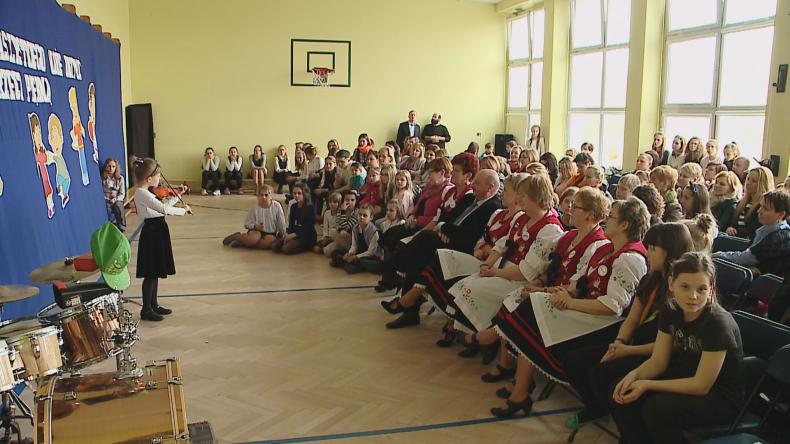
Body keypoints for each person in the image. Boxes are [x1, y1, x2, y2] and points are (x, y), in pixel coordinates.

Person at [490, 197, 650, 417]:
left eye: (612, 217)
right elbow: (579, 283)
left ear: (624, 225)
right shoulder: (607, 249)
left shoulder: (630, 259)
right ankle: (521, 387)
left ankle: (519, 387)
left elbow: (613, 306)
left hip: (605, 323)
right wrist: (551, 292)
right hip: (587, 309)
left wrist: (570, 302)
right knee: (533, 303)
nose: (606, 220)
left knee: (533, 311)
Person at [455, 186, 610, 379]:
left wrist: (542, 290)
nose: (569, 208)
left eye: (575, 206)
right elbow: (551, 269)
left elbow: (577, 286)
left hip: (566, 297)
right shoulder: (570, 235)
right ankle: (504, 361)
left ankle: (492, 343)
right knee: (515, 298)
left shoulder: (597, 245)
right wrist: (538, 282)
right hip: (551, 289)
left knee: (520, 303)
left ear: (590, 215)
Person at [562, 223, 694, 430]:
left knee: (601, 375)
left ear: (670, 252)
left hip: (657, 355)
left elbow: (671, 347)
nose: (647, 254)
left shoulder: (681, 291)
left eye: (653, 249)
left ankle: (627, 424)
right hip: (632, 344)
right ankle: (597, 406)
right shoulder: (650, 280)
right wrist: (619, 342)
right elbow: (632, 320)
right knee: (573, 360)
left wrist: (626, 350)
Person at [609, 252, 743, 444]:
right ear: (671, 283)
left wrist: (647, 384)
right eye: (685, 287)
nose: (693, 296)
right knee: (621, 388)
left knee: (656, 409)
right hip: (686, 375)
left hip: (720, 396)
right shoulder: (671, 309)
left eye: (702, 289)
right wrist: (634, 375)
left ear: (711, 289)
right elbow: (658, 361)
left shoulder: (717, 324)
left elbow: (701, 385)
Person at [382, 173, 529, 340]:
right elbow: (479, 238)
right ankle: (409, 303)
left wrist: (483, 249)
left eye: (477, 183)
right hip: (473, 251)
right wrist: (444, 230)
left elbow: (484, 242)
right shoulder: (493, 211)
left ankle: (396, 276)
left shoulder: (494, 208)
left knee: (427, 245)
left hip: (480, 257)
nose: (472, 185)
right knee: (421, 253)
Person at [446, 173, 564, 335]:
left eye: (523, 195)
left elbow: (526, 271)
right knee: (462, 284)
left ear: (536, 198)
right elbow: (502, 244)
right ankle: (467, 332)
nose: (519, 199)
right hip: (502, 269)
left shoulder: (550, 230)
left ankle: (478, 336)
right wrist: (487, 265)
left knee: (473, 289)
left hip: (519, 280)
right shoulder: (521, 217)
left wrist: (494, 272)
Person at [131, 157, 190, 321]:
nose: (159, 179)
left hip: (158, 231)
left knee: (155, 271)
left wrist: (177, 196)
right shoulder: (142, 194)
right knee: (150, 273)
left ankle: (153, 305)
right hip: (152, 233)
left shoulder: (147, 192)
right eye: (157, 176)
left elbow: (162, 208)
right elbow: (164, 209)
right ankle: (146, 310)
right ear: (149, 179)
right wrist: (183, 211)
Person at [715, 191, 790, 277]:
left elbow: (747, 258)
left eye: (765, 209)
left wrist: (717, 255)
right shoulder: (765, 229)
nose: (759, 211)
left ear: (780, 214)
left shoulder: (779, 237)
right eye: (760, 206)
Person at [330, 205, 382, 274]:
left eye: (365, 215)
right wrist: (349, 254)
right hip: (359, 252)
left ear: (371, 217)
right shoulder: (355, 228)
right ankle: (348, 264)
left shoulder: (374, 232)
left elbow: (371, 252)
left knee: (364, 262)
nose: (361, 217)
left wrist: (356, 257)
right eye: (360, 214)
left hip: (369, 256)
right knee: (335, 252)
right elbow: (354, 246)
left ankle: (344, 264)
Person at [728, 166, 775, 239]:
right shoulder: (741, 203)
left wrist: (736, 232)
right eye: (748, 179)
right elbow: (733, 223)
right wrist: (730, 228)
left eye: (754, 181)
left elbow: (754, 229)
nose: (748, 183)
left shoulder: (764, 206)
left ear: (763, 184)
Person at [272, 183, 316, 255]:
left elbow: (309, 227)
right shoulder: (293, 206)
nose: (296, 195)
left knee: (285, 249)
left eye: (299, 193)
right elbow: (291, 224)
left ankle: (306, 247)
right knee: (275, 246)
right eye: (294, 193)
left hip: (307, 235)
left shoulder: (310, 208)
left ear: (304, 194)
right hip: (296, 231)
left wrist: (294, 235)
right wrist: (287, 234)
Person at [324, 190, 359, 257]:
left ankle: (352, 250)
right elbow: (337, 225)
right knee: (326, 251)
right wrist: (341, 230)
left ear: (356, 201)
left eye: (352, 200)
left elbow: (348, 227)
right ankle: (346, 251)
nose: (350, 202)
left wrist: (343, 212)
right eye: (347, 200)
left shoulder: (357, 212)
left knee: (332, 231)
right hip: (342, 237)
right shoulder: (340, 210)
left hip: (352, 238)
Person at [102, 158, 126, 232]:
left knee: (118, 206)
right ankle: (107, 228)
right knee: (107, 208)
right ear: (106, 166)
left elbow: (122, 193)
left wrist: (115, 199)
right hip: (106, 199)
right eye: (109, 166)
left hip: (116, 199)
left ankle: (121, 227)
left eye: (113, 166)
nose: (111, 168)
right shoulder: (102, 177)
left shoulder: (120, 178)